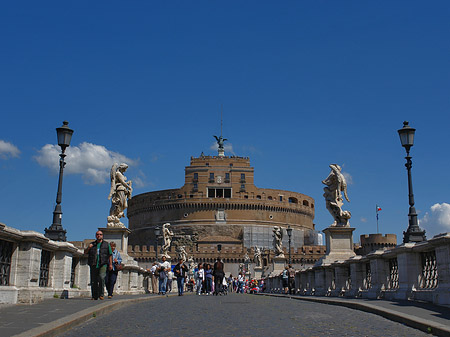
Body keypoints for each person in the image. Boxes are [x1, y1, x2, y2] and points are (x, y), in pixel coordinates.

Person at [84, 230, 112, 300]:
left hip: (103, 263)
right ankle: (94, 296)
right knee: (94, 280)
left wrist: (110, 264)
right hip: (93, 263)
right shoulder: (92, 244)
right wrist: (89, 247)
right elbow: (85, 252)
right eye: (97, 234)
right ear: (95, 236)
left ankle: (101, 294)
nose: (98, 235)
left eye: (100, 234)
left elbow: (110, 255)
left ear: (102, 236)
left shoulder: (106, 244)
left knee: (102, 278)